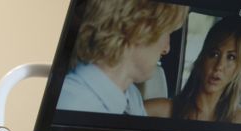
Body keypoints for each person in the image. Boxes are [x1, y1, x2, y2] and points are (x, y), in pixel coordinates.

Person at [56, 0, 188, 115]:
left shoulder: (131, 96)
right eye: (167, 33)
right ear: (140, 27)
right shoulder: (70, 102)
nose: (167, 48)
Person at [145, 16, 241, 125]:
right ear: (202, 58)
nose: (219, 66)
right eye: (214, 54)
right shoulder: (166, 110)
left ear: (238, 66)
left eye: (231, 57)